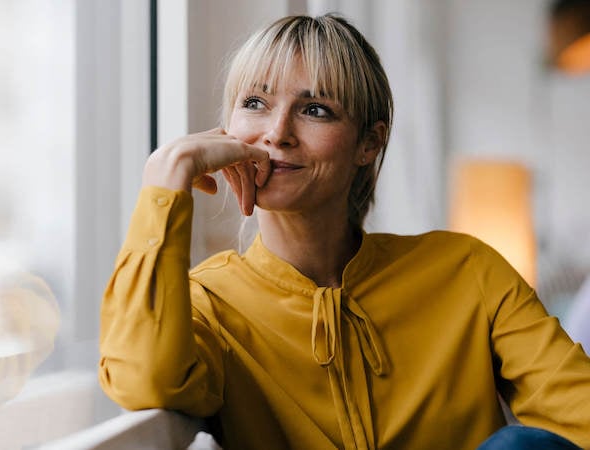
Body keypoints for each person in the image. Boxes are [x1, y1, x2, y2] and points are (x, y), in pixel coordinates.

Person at [98, 14, 590, 450]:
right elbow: (144, 382)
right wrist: (166, 183)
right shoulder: (208, 303)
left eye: (315, 109)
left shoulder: (467, 271)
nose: (277, 133)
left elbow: (580, 418)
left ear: (368, 144)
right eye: (255, 102)